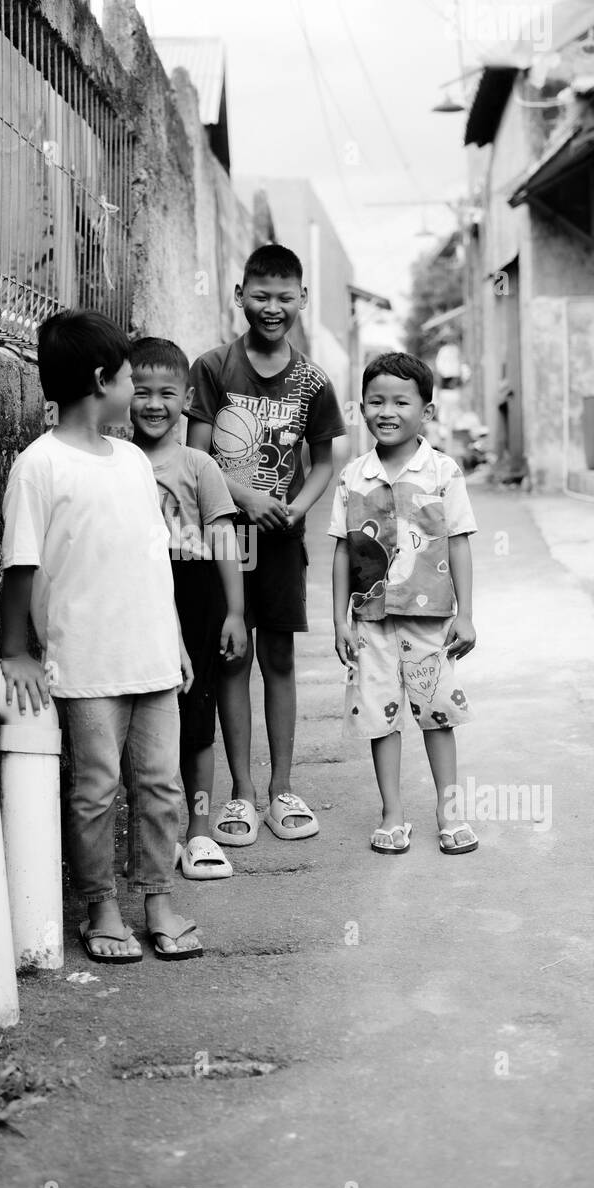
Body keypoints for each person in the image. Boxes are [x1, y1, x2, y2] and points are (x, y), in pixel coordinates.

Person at [0, 309, 202, 962]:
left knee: (162, 786)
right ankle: (101, 908)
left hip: (152, 657)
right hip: (86, 666)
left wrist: (174, 640)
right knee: (94, 790)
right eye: (125, 376)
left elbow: (154, 561)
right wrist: (15, 650)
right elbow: (20, 565)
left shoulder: (133, 464)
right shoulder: (39, 465)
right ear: (99, 381)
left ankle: (159, 900)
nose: (135, 389)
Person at [187, 244, 345, 845]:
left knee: (278, 659)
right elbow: (196, 457)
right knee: (234, 656)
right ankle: (242, 795)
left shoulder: (313, 380)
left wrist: (297, 509)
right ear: (239, 296)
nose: (272, 308)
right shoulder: (213, 368)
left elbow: (325, 461)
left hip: (281, 543)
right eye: (261, 296)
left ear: (302, 299)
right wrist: (246, 498)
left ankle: (281, 788)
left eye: (284, 298)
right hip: (226, 540)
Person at [330, 351, 479, 856]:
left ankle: (448, 810)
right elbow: (342, 550)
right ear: (362, 408)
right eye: (375, 401)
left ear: (427, 412)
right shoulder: (353, 476)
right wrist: (337, 618)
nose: (386, 411)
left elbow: (458, 540)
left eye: (400, 401)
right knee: (380, 716)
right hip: (370, 621)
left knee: (437, 714)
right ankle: (393, 814)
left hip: (430, 621)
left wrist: (467, 613)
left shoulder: (442, 471)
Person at [129, 337, 246, 880]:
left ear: (188, 397)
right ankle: (157, 834)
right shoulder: (118, 463)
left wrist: (234, 613)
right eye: (141, 391)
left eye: (167, 393)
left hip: (196, 590)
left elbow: (224, 539)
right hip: (138, 590)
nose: (154, 404)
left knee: (198, 715)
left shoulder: (199, 465)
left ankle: (198, 834)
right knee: (148, 714)